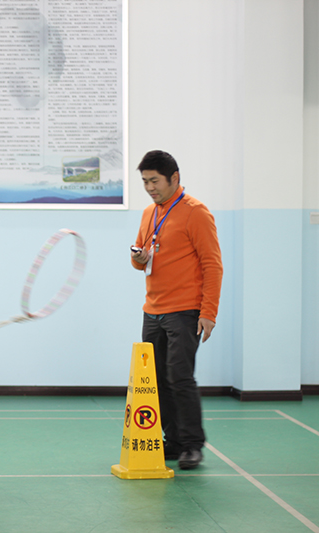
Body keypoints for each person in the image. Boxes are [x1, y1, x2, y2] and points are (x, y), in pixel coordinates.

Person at [129, 150, 223, 470]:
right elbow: (141, 258)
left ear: (174, 178)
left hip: (184, 311)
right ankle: (174, 441)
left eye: (154, 181)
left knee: (180, 377)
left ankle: (193, 445)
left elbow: (212, 265)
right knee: (157, 380)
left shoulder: (196, 212)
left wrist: (208, 312)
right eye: (145, 182)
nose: (149, 188)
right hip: (152, 310)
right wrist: (138, 258)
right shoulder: (149, 213)